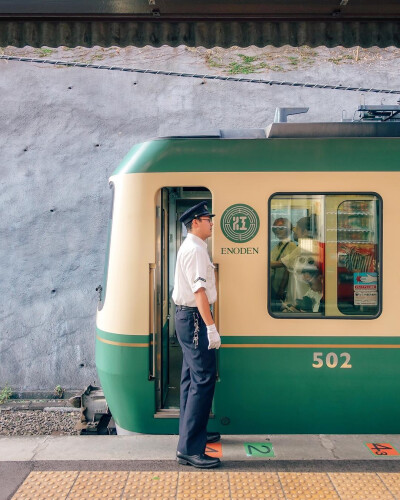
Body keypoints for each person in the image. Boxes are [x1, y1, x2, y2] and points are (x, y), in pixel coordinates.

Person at [172, 201, 221, 469]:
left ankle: (193, 433)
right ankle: (190, 449)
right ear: (195, 223)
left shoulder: (194, 247)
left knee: (191, 379)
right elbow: (199, 293)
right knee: (203, 379)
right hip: (194, 320)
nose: (211, 223)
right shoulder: (195, 251)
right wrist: (211, 327)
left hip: (188, 318)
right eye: (207, 219)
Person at [280, 215, 321, 312]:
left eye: (297, 229)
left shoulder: (305, 246)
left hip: (302, 302)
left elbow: (283, 263)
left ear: (306, 232)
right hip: (303, 300)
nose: (294, 231)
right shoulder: (314, 246)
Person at [270, 218, 297, 309]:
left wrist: (281, 289)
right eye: (275, 228)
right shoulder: (278, 246)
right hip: (274, 286)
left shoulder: (291, 246)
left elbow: (288, 268)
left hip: (283, 288)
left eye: (281, 228)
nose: (277, 230)